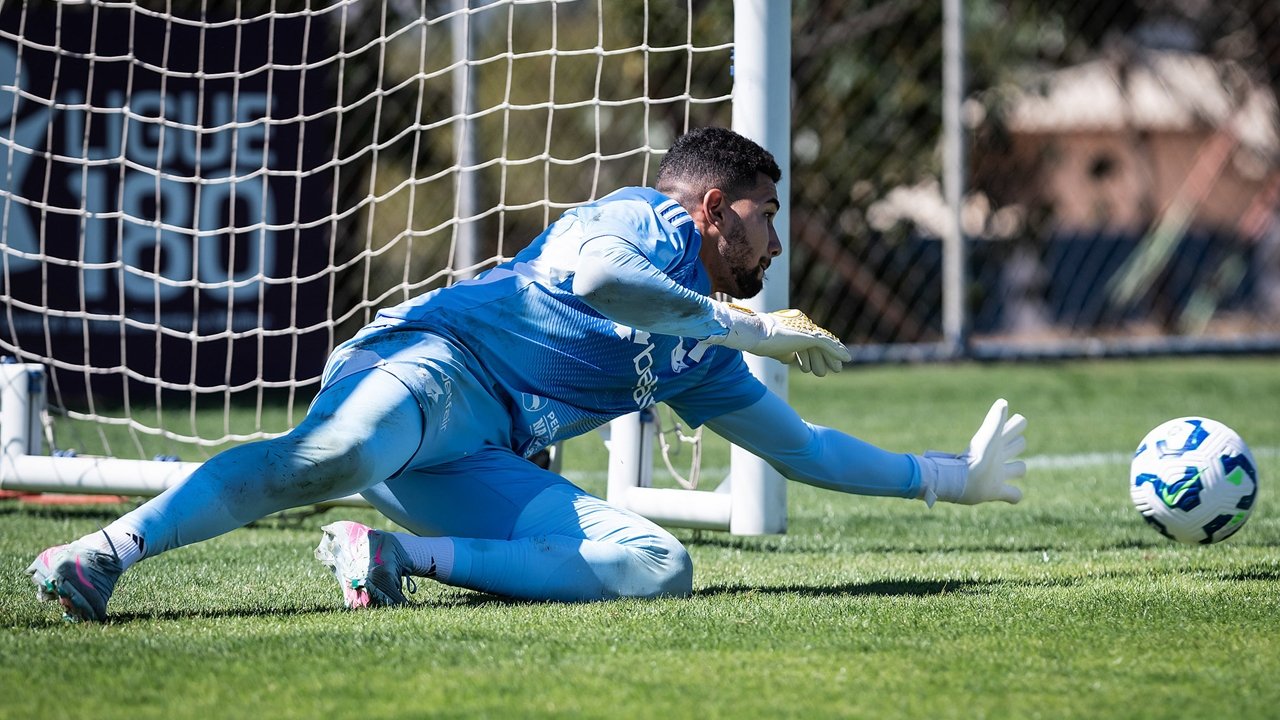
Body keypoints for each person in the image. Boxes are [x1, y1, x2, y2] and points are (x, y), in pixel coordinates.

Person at [26, 127, 1027, 621]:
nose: (777, 238)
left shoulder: (700, 354)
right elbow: (597, 277)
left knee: (658, 569)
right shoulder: (653, 219)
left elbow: (801, 449)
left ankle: (388, 560)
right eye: (767, 215)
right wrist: (740, 324)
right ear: (717, 207)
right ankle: (102, 555)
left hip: (479, 457)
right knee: (325, 456)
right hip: (429, 369)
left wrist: (946, 479)